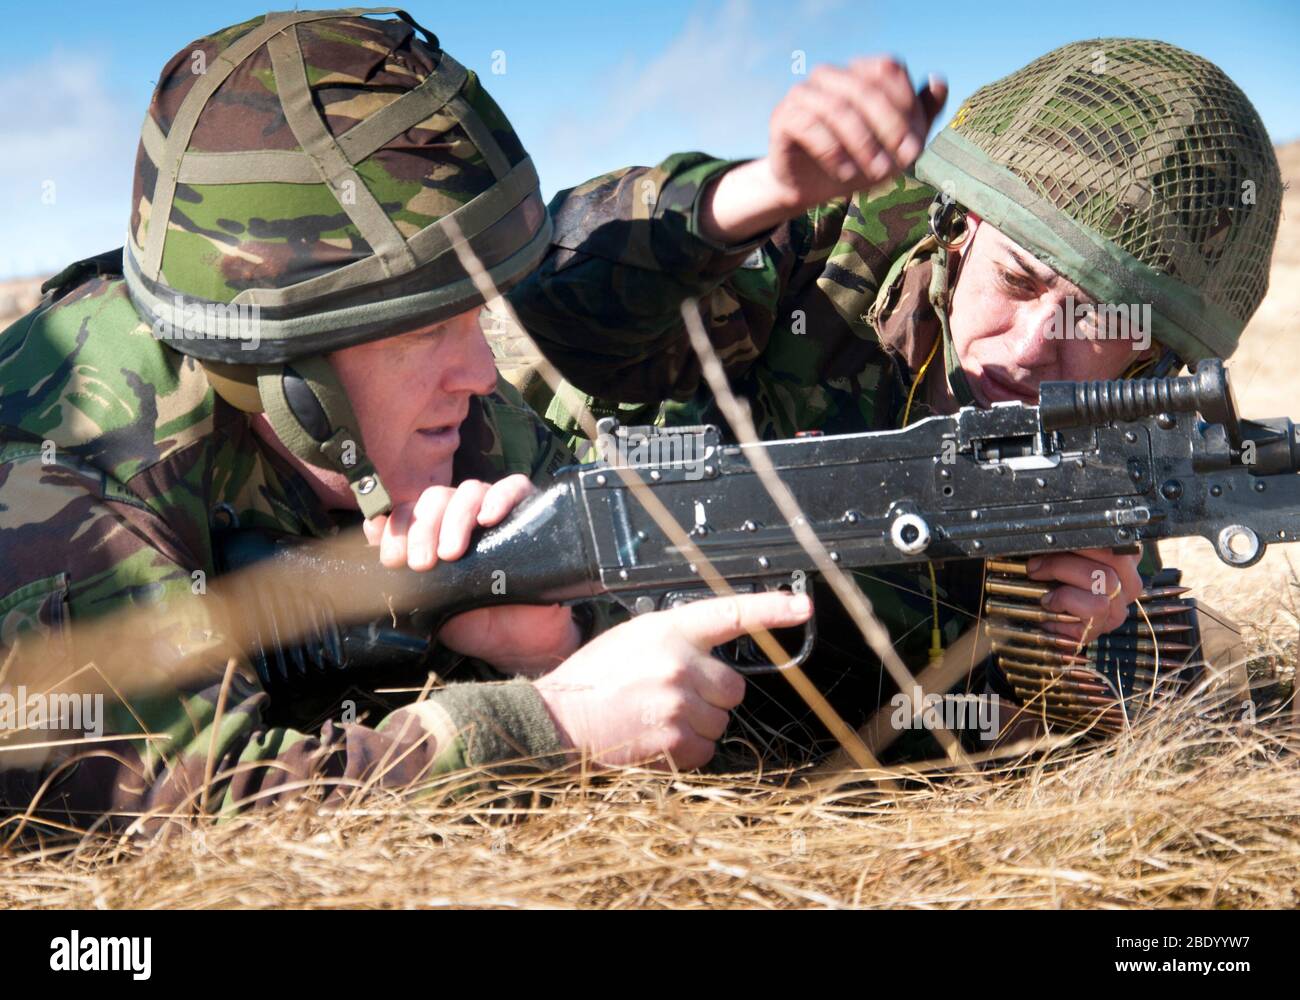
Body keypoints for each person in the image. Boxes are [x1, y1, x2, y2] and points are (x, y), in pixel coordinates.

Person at [0, 8, 814, 831]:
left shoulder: (440, 411)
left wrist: (542, 642)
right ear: (285, 364)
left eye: (474, 316)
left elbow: (634, 670)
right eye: (428, 329)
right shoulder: (63, 480)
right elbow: (183, 818)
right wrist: (552, 728)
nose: (481, 372)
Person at [506, 39, 1282, 755]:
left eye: (1094, 320)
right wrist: (755, 192)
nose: (1028, 347)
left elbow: (1145, 710)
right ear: (960, 226)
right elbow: (560, 302)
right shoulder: (813, 249)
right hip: (537, 588)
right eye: (1015, 281)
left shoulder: (1112, 422)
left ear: (1152, 351)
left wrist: (1071, 655)